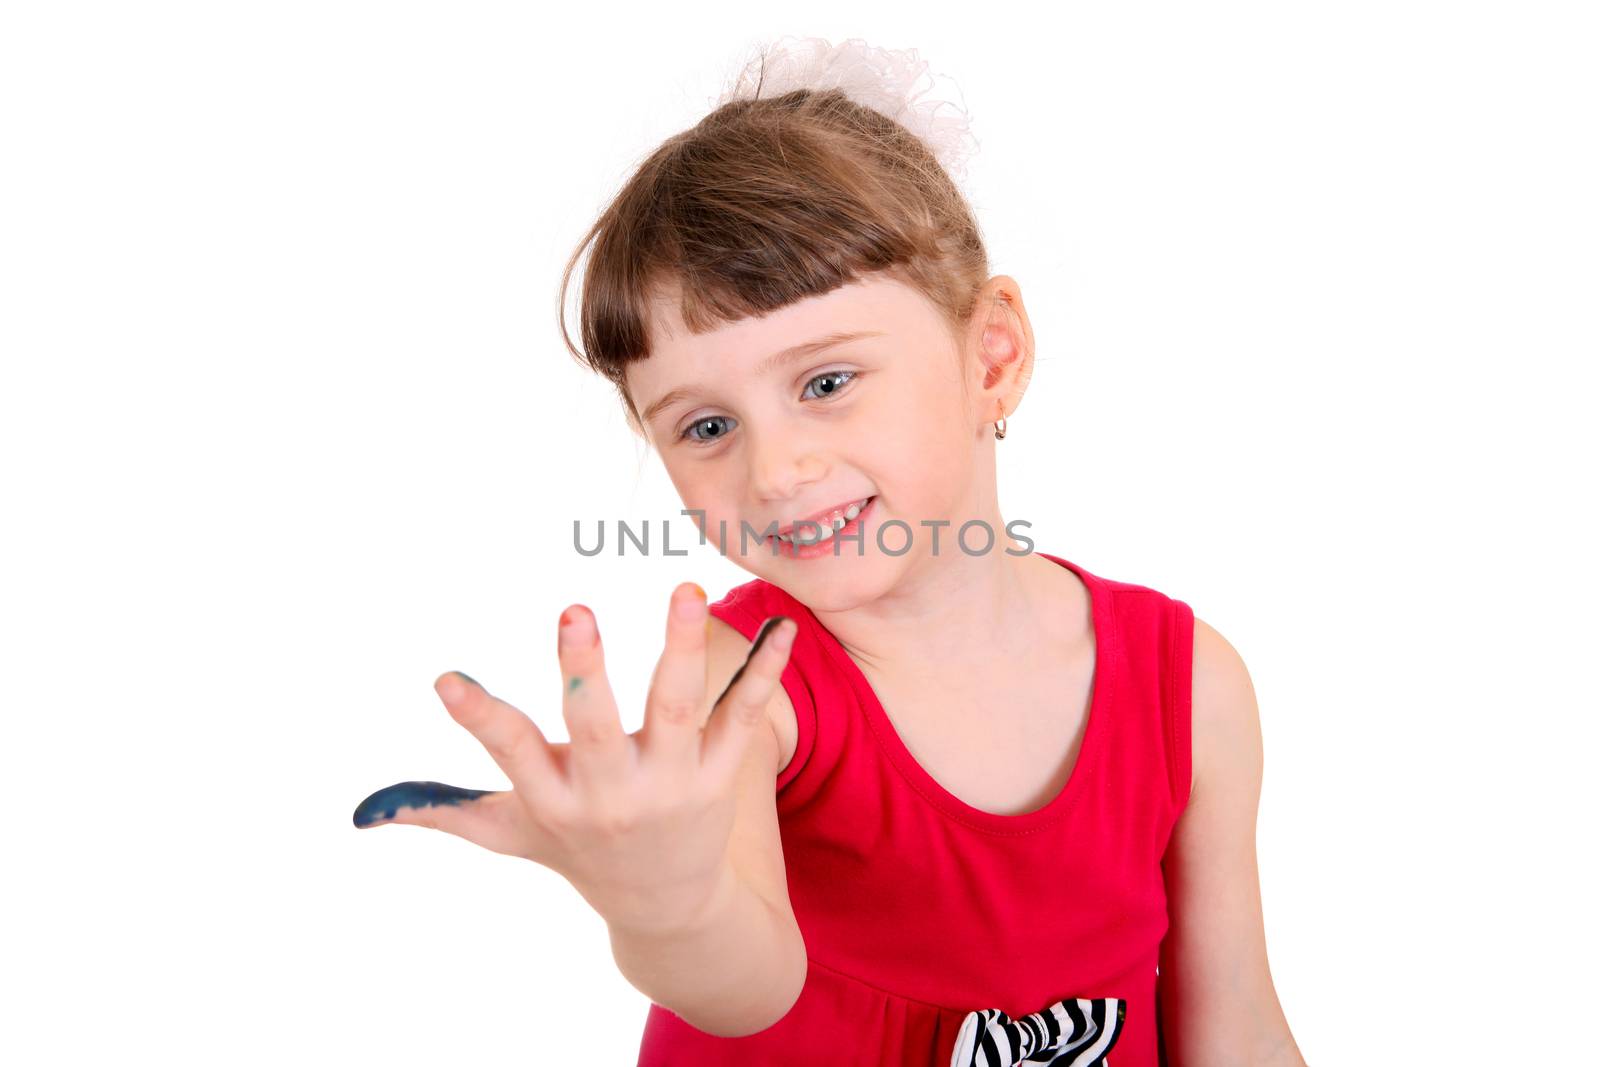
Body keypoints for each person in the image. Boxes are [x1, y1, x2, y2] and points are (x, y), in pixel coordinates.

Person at [352, 36, 1306, 1067]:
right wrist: (668, 905)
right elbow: (745, 981)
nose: (772, 469)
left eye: (824, 382)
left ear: (991, 355)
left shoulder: (1186, 686)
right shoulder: (746, 686)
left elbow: (1237, 1024)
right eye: (706, 426)